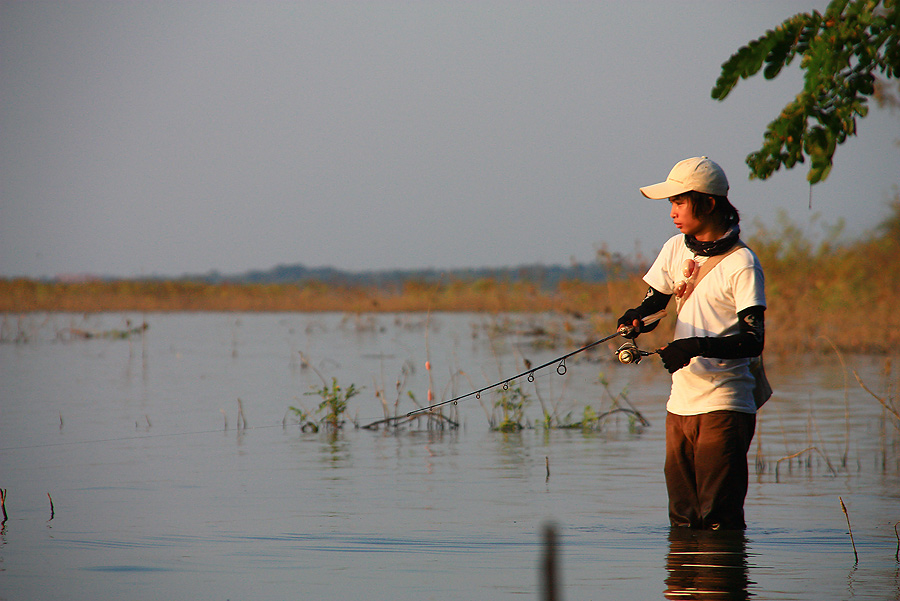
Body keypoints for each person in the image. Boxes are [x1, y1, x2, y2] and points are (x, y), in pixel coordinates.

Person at [617, 156, 765, 530]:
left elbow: (753, 340)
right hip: (679, 405)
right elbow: (656, 302)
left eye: (680, 201)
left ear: (709, 203)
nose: (672, 212)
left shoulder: (742, 263)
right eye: (671, 203)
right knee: (682, 519)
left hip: (725, 404)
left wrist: (694, 346)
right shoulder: (675, 249)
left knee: (718, 519)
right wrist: (635, 318)